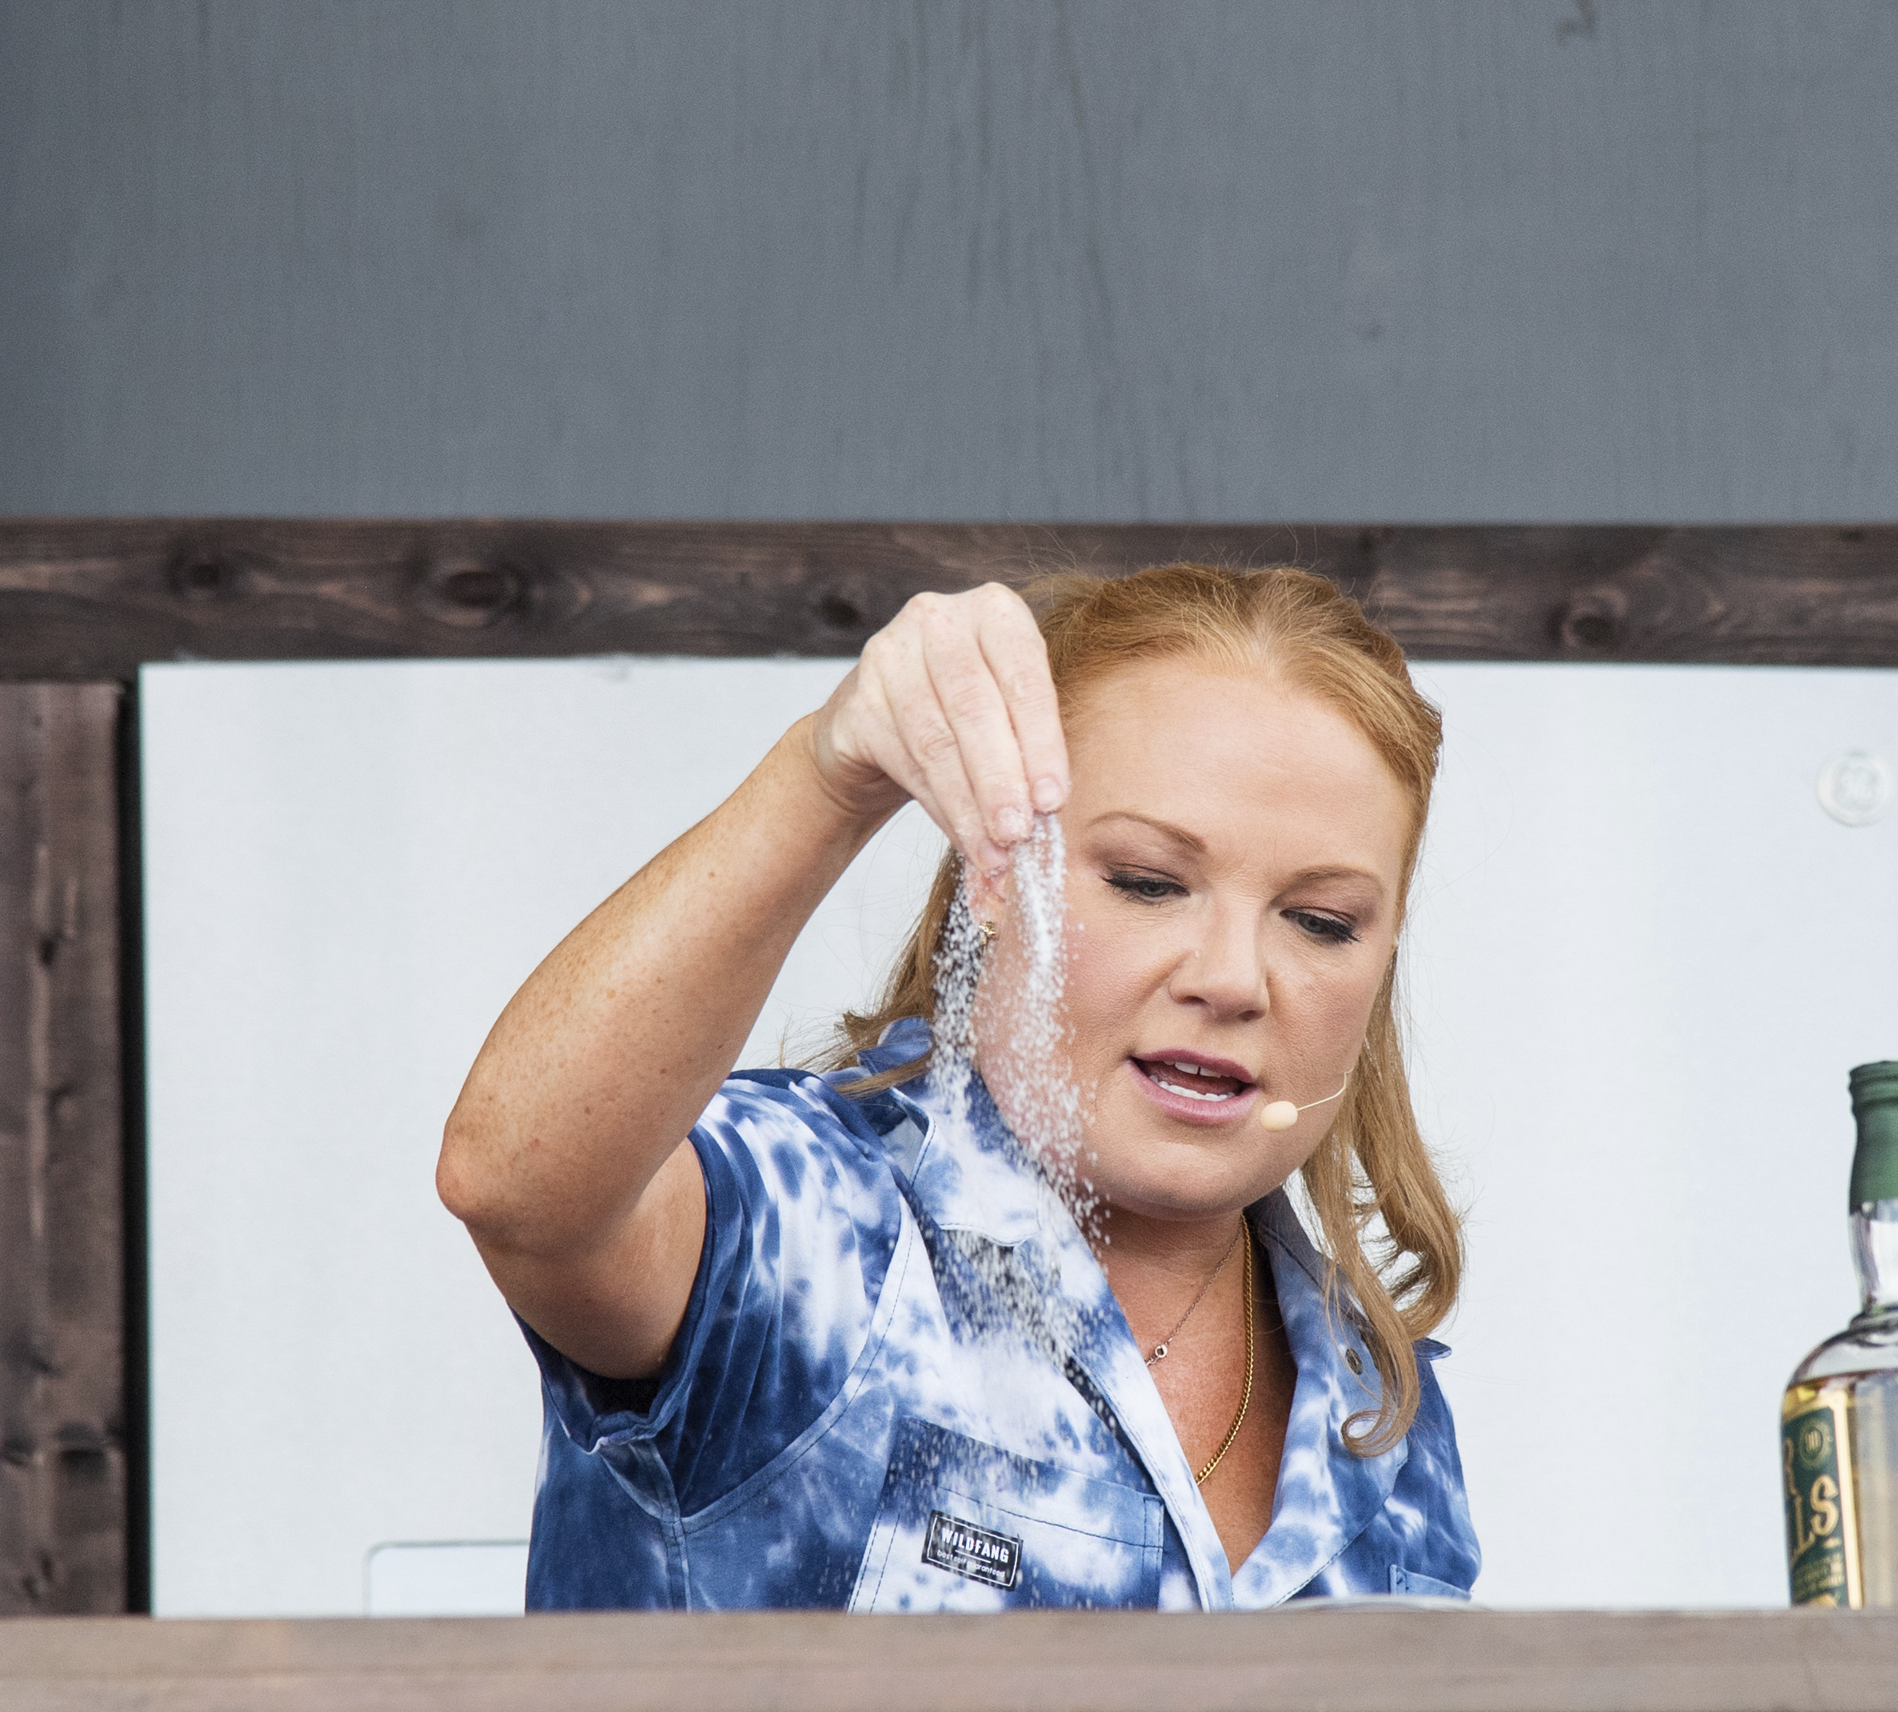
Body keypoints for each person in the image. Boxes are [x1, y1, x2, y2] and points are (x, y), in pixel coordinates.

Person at [436, 564, 1478, 1610]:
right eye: (1146, 883)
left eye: (1321, 921)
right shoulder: (819, 1228)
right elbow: (518, 1187)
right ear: (993, 877)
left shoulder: (1386, 1412)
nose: (1230, 979)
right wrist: (827, 774)